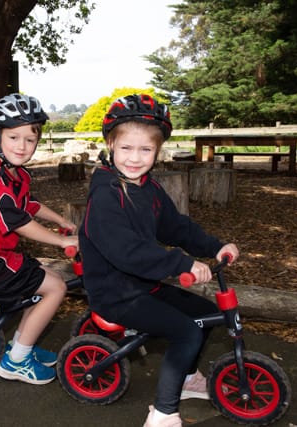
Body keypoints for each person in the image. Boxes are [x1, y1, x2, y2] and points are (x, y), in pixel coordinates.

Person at [78, 94, 240, 427]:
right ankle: (163, 413)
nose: (135, 158)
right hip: (115, 293)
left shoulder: (148, 188)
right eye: (126, 148)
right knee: (186, 332)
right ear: (111, 144)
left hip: (142, 285)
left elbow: (175, 227)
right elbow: (127, 251)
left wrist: (215, 246)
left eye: (145, 149)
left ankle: (187, 378)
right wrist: (181, 264)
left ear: (158, 151)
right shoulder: (106, 195)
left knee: (205, 314)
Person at [0, 93, 78, 385]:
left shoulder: (14, 173)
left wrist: (60, 221)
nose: (22, 146)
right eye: (13, 137)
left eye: (30, 139)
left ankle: (22, 346)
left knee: (47, 281)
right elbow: (17, 221)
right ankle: (16, 362)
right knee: (56, 288)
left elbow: (28, 205)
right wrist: (61, 242)